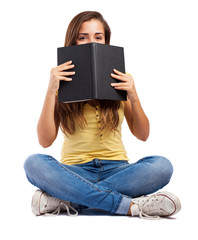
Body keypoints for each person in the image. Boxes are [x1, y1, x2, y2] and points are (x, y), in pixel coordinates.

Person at [24, 11, 181, 219]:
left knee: (162, 166)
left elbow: (143, 135)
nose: (91, 41)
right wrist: (51, 90)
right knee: (33, 163)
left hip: (118, 170)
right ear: (73, 41)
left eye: (98, 37)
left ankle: (70, 200)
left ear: (106, 41)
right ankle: (130, 206)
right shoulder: (59, 83)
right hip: (75, 171)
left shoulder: (121, 77)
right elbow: (44, 141)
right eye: (83, 37)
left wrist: (133, 95)